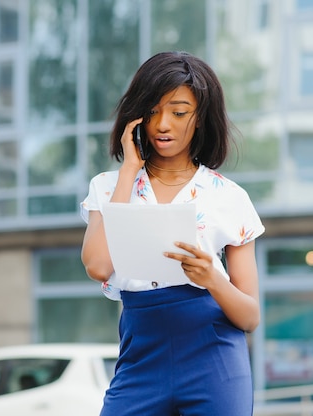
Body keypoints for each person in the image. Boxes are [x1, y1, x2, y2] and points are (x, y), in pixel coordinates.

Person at [80, 51, 265, 415]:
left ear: (200, 119)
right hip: (141, 353)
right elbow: (98, 266)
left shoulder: (229, 197)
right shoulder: (107, 186)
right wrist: (129, 172)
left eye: (179, 112)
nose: (163, 124)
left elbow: (250, 317)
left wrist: (212, 278)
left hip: (214, 356)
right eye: (152, 111)